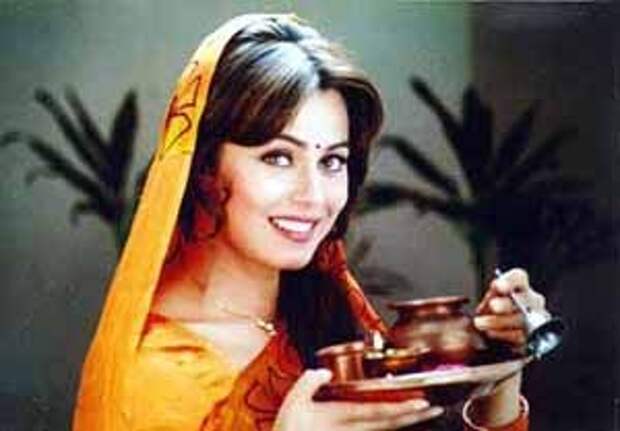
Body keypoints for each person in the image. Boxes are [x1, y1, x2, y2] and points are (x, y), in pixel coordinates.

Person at [73, 14, 545, 430]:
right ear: (205, 170)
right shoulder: (148, 378)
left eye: (332, 161)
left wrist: (502, 377)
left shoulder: (327, 322)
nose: (315, 197)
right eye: (278, 157)